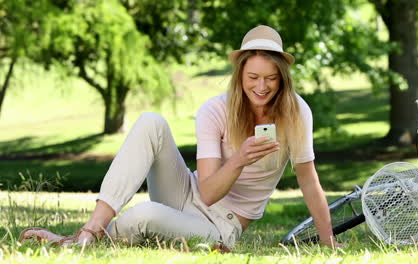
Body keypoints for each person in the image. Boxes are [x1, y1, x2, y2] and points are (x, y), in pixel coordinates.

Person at [19, 25, 338, 250]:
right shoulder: (215, 110)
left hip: (220, 227)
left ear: (282, 79)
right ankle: (89, 230)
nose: (262, 86)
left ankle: (82, 241)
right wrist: (240, 159)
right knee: (151, 121)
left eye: (271, 78)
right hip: (187, 192)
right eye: (253, 77)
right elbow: (208, 190)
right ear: (239, 75)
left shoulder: (297, 113)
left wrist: (328, 241)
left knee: (143, 215)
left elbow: (309, 182)